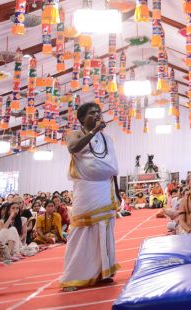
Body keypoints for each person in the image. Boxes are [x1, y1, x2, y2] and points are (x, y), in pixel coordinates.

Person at [61, 102, 120, 291]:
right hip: (86, 191)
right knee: (80, 233)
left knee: (104, 231)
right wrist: (94, 131)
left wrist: (117, 193)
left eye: (99, 112)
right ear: (81, 118)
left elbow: (113, 168)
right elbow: (73, 148)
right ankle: (73, 277)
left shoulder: (107, 139)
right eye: (92, 112)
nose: (97, 115)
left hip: (105, 189)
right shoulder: (75, 134)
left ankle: (102, 273)